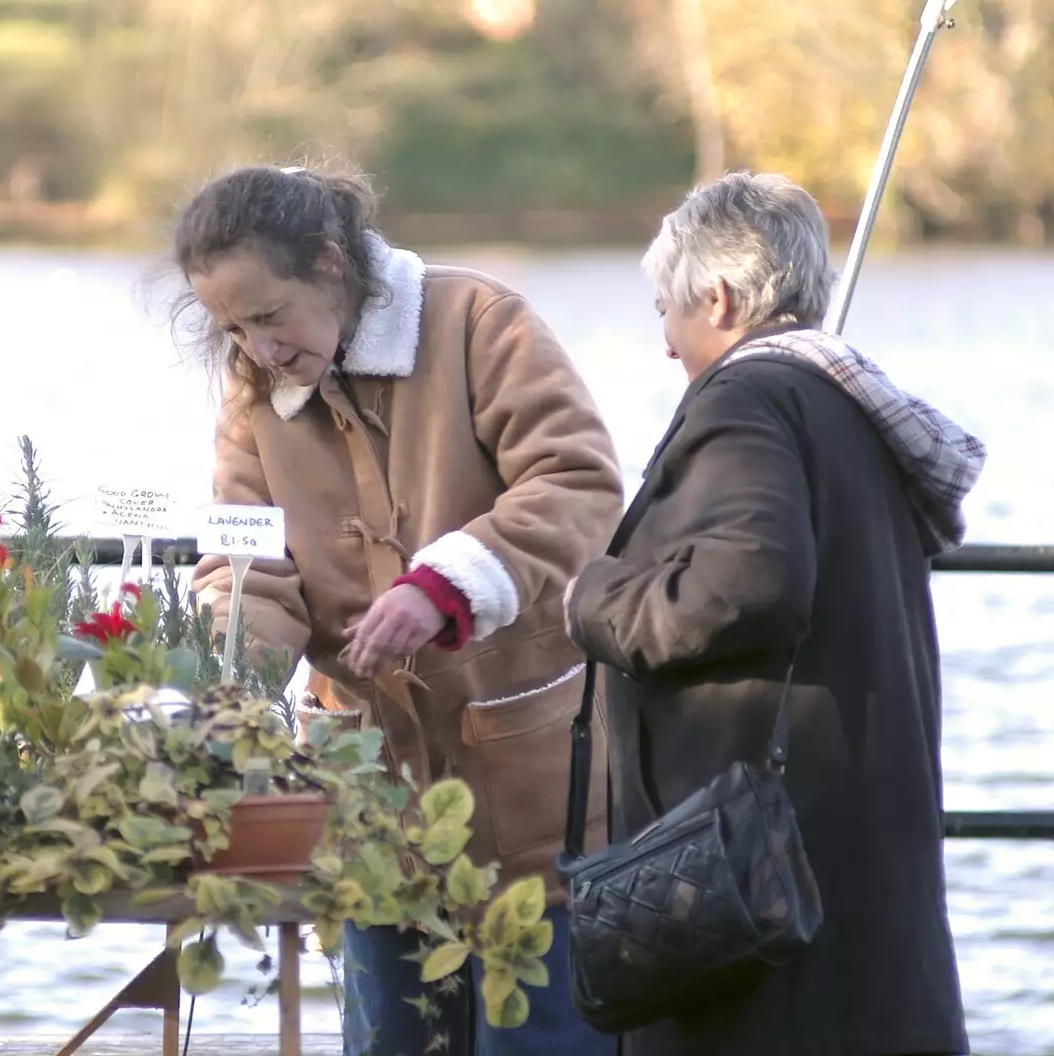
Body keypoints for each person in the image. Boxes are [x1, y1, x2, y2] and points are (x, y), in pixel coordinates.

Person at [172, 162, 624, 1055]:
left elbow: (578, 484)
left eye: (269, 316)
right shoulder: (254, 388)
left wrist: (448, 584)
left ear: (333, 264)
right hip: (370, 812)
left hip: (538, 810)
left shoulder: (478, 323)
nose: (259, 349)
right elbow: (246, 564)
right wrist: (225, 681)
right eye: (232, 327)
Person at [565, 171, 982, 1056]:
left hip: (758, 881)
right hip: (849, 861)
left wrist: (595, 598)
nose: (666, 344)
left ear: (715, 298)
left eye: (663, 310)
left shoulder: (746, 399)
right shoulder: (847, 403)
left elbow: (745, 582)